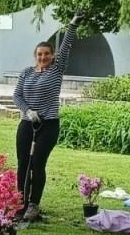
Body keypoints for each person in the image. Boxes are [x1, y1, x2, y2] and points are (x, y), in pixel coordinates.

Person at [12, 16, 83, 223]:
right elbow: (17, 95)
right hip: (28, 122)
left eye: (47, 54)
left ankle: (33, 205)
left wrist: (73, 25)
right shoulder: (26, 73)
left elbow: (66, 46)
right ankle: (20, 202)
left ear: (52, 56)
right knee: (23, 163)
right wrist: (27, 111)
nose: (43, 57)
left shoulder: (56, 70)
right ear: (35, 56)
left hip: (48, 124)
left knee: (37, 163)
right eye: (39, 54)